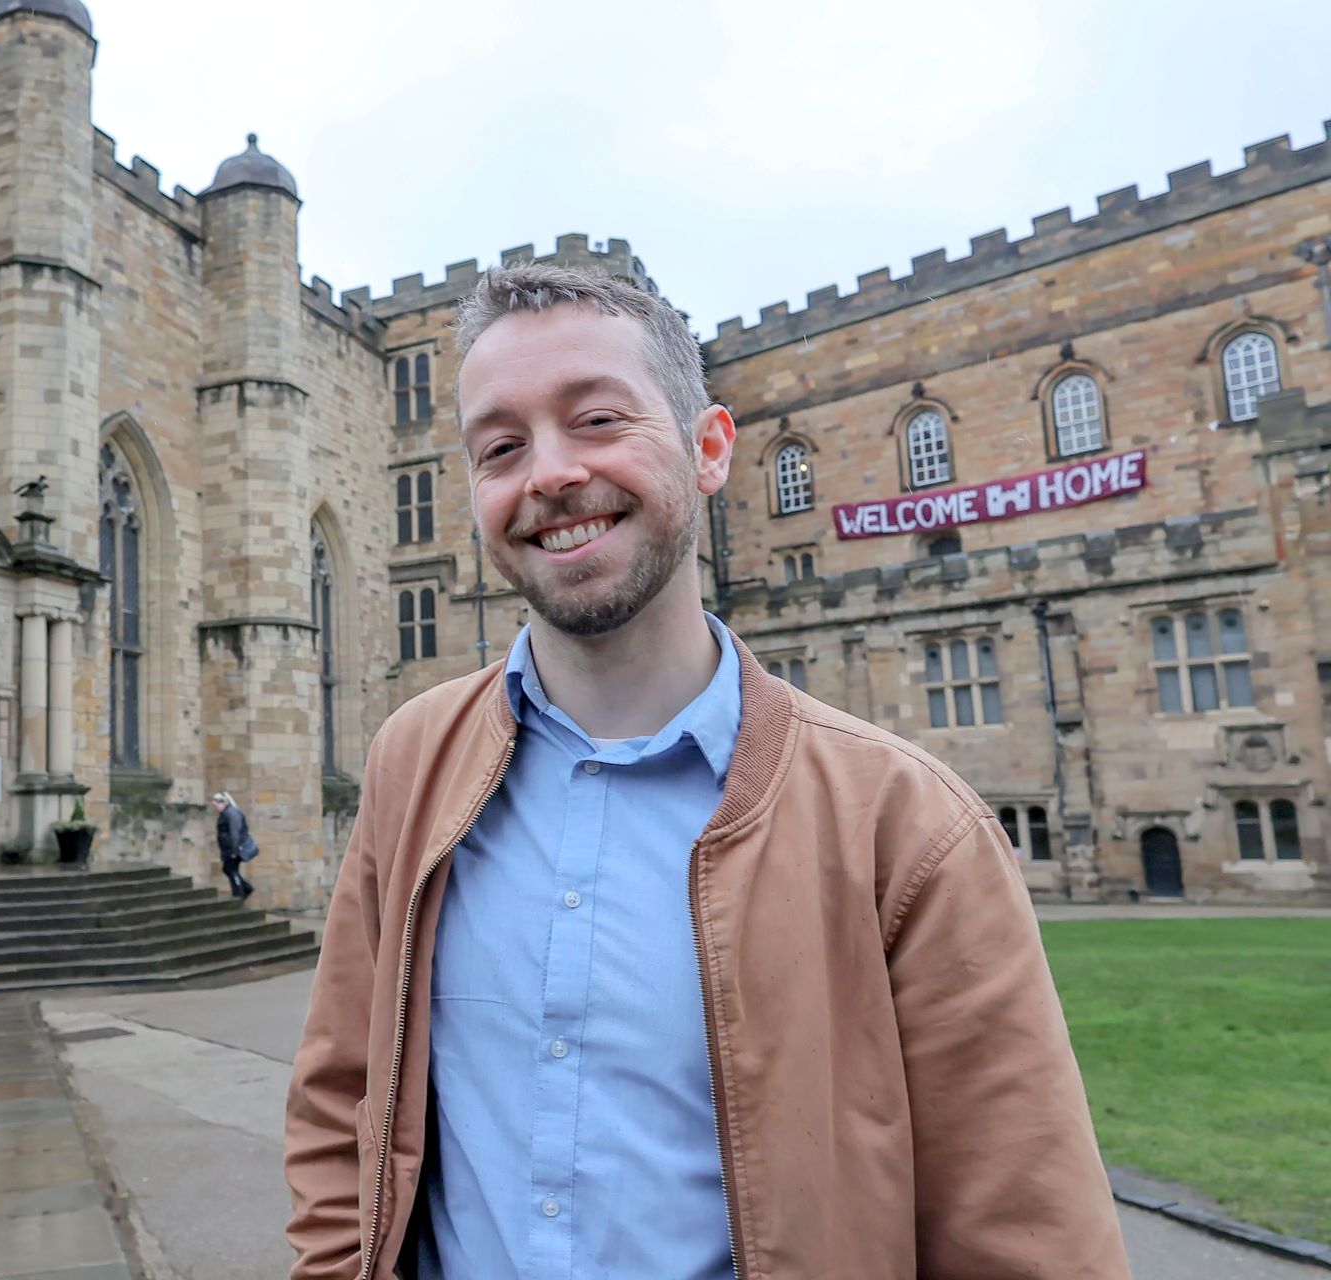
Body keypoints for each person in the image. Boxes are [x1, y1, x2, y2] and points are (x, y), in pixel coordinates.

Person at [283, 264, 1128, 1280]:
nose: (547, 473)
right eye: (500, 446)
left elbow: (1023, 1235)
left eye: (595, 419)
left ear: (709, 446)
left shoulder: (906, 824)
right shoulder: (409, 762)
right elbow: (341, 1101)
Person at [213, 791, 258, 899]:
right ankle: (243, 889)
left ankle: (240, 893)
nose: (216, 808)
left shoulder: (231, 813)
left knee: (229, 869)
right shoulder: (227, 813)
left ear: (223, 803)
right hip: (230, 848)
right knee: (231, 870)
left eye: (216, 805)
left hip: (235, 848)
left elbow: (235, 832)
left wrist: (234, 851)